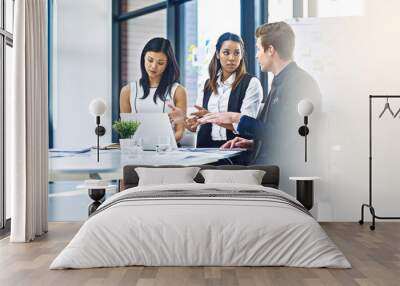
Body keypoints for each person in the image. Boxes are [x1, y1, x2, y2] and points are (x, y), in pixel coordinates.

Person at [201, 22, 321, 163]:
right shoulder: (280, 82)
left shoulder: (298, 82)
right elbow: (278, 134)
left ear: (270, 50)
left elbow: (291, 136)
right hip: (270, 163)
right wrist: (254, 144)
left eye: (259, 49)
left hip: (284, 169)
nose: (257, 56)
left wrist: (237, 118)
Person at [182, 32, 263, 148]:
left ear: (241, 55)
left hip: (235, 150)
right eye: (226, 53)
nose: (231, 58)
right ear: (218, 54)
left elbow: (247, 125)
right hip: (205, 150)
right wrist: (189, 123)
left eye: (236, 53)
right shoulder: (207, 85)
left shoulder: (251, 83)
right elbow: (199, 124)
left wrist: (211, 117)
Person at [120, 37, 187, 142]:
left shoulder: (178, 91)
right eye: (150, 60)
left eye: (160, 63)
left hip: (167, 150)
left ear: (167, 64)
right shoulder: (127, 91)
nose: (153, 66)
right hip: (137, 151)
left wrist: (162, 145)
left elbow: (180, 132)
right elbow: (126, 131)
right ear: (143, 58)